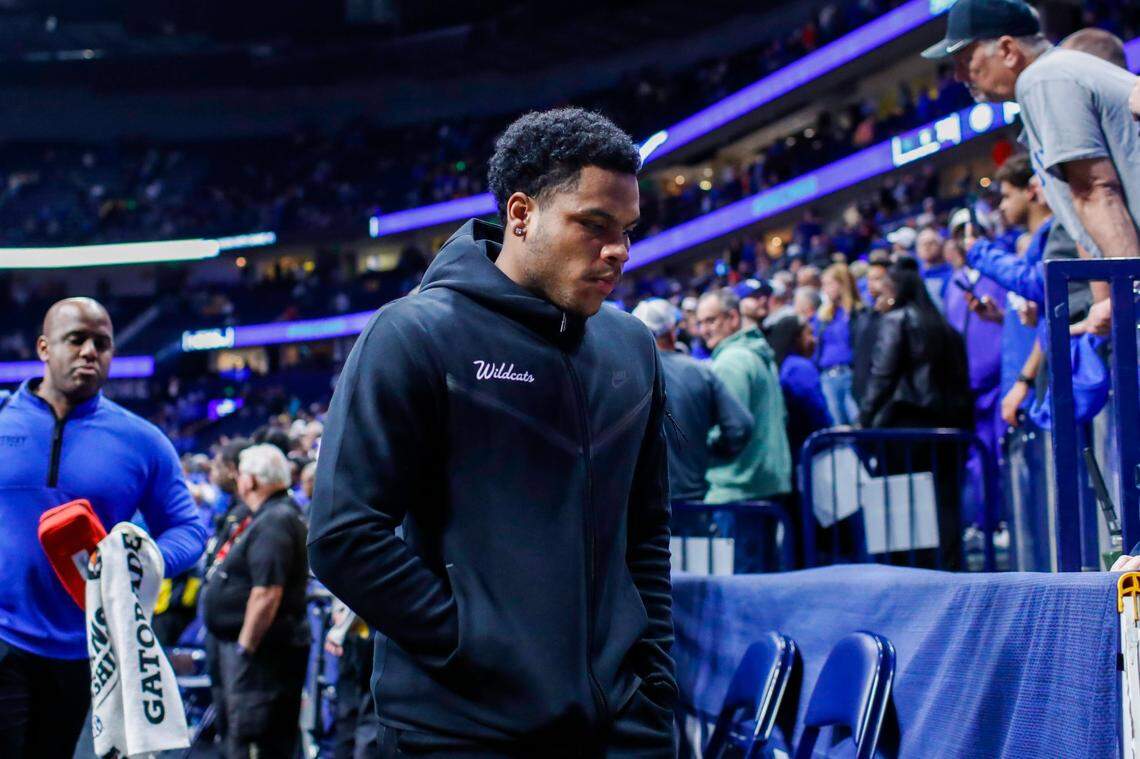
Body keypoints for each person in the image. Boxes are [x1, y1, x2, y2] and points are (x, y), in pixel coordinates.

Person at [308, 108, 676, 756]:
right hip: (457, 730)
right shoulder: (414, 335)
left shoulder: (633, 348)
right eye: (593, 225)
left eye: (626, 230)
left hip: (621, 729)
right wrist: (474, 642)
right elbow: (343, 535)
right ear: (521, 214)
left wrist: (653, 687)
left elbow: (644, 533)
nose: (618, 249)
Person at [0, 297, 207, 758]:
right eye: (76, 340)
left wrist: (140, 559)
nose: (91, 351)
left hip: (86, 651)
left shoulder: (143, 441)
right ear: (43, 348)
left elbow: (188, 531)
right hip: (3, 635)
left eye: (102, 343)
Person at [924, 0, 1140, 336]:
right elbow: (1085, 223)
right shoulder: (1053, 74)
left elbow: (1097, 192)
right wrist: (1104, 303)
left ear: (1008, 49)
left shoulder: (1041, 79)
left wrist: (1133, 307)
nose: (958, 75)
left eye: (966, 59)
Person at [859, 259, 973, 567]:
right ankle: (950, 575)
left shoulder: (897, 321)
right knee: (946, 509)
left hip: (907, 433)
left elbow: (883, 376)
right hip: (949, 432)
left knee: (905, 515)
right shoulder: (946, 328)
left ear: (895, 293)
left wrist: (863, 421)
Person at [203, 444, 310, 759]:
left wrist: (245, 650)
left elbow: (267, 593)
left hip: (262, 658)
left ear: (250, 481)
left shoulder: (275, 520)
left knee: (255, 738)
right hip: (249, 653)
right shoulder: (264, 516)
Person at [632, 298, 753, 502]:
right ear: (672, 331)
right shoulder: (701, 371)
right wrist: (707, 453)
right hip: (693, 498)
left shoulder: (624, 375)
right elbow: (740, 426)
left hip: (642, 502)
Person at [766, 312, 833, 467]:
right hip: (811, 452)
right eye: (809, 334)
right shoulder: (798, 367)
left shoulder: (784, 365)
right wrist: (830, 432)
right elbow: (816, 411)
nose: (814, 340)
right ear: (795, 338)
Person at [814, 263, 864, 425]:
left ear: (842, 284)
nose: (825, 289)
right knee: (838, 427)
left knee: (857, 422)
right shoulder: (823, 316)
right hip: (828, 376)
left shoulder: (859, 313)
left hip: (851, 374)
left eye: (829, 284)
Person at [851, 254, 891, 405]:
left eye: (877, 279)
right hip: (863, 390)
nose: (871, 284)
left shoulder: (895, 315)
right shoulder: (865, 313)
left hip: (884, 392)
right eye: (869, 279)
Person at [915, 225, 952, 308]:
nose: (927, 247)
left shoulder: (952, 273)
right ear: (917, 250)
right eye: (923, 244)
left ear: (941, 246)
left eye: (931, 243)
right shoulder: (917, 278)